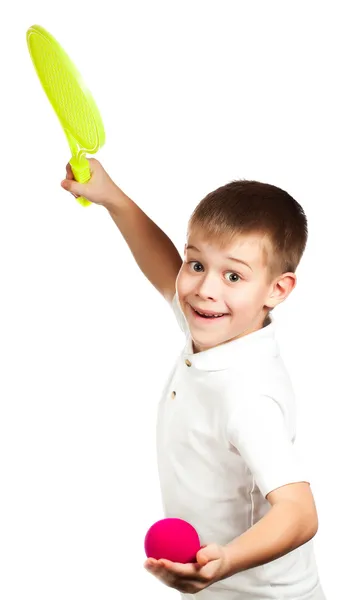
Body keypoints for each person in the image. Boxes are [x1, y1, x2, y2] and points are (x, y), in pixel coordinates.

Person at [61, 160, 326, 599]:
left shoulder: (248, 394)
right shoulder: (221, 329)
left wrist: (228, 560)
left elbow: (299, 512)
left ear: (277, 290)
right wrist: (113, 197)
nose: (205, 289)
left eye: (234, 275)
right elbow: (164, 266)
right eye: (197, 263)